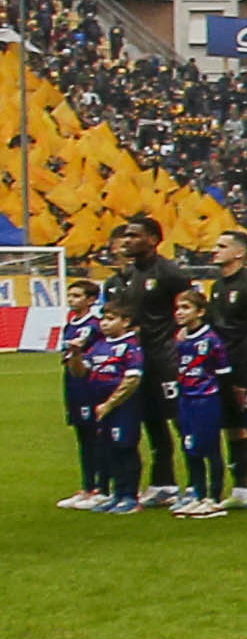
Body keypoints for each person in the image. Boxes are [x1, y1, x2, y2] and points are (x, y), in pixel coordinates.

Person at [100, 217, 193, 506]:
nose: (126, 241)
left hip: (166, 358)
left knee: (180, 421)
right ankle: (163, 483)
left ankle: (195, 487)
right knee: (151, 421)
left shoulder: (169, 273)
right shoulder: (130, 276)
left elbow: (189, 310)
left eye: (133, 236)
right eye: (125, 236)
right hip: (140, 359)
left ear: (153, 239)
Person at [202, 232, 247, 512]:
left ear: (239, 253)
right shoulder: (217, 286)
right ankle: (241, 489)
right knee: (232, 429)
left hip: (242, 370)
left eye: (221, 246)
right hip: (221, 369)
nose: (214, 250)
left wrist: (243, 376)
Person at [166, 289, 231, 519]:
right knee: (190, 447)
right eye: (178, 308)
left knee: (210, 448)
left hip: (206, 399)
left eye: (185, 308)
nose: (179, 313)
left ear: (201, 312)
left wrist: (222, 401)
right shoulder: (181, 339)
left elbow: (223, 374)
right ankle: (198, 494)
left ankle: (214, 498)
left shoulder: (211, 339)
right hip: (186, 398)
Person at [82, 299, 146, 512]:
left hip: (123, 407)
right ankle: (117, 493)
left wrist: (109, 404)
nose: (104, 323)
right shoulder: (99, 345)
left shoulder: (131, 346)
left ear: (126, 321)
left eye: (111, 319)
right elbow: (81, 372)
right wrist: (74, 355)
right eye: (103, 319)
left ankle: (130, 496)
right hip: (102, 406)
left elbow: (132, 380)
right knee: (109, 449)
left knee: (125, 447)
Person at [58, 279, 105, 509]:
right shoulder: (71, 324)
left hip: (88, 384)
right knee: (82, 436)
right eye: (70, 295)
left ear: (91, 300)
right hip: (72, 383)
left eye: (77, 296)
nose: (71, 300)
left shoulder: (94, 325)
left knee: (92, 435)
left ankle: (99, 487)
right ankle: (87, 487)